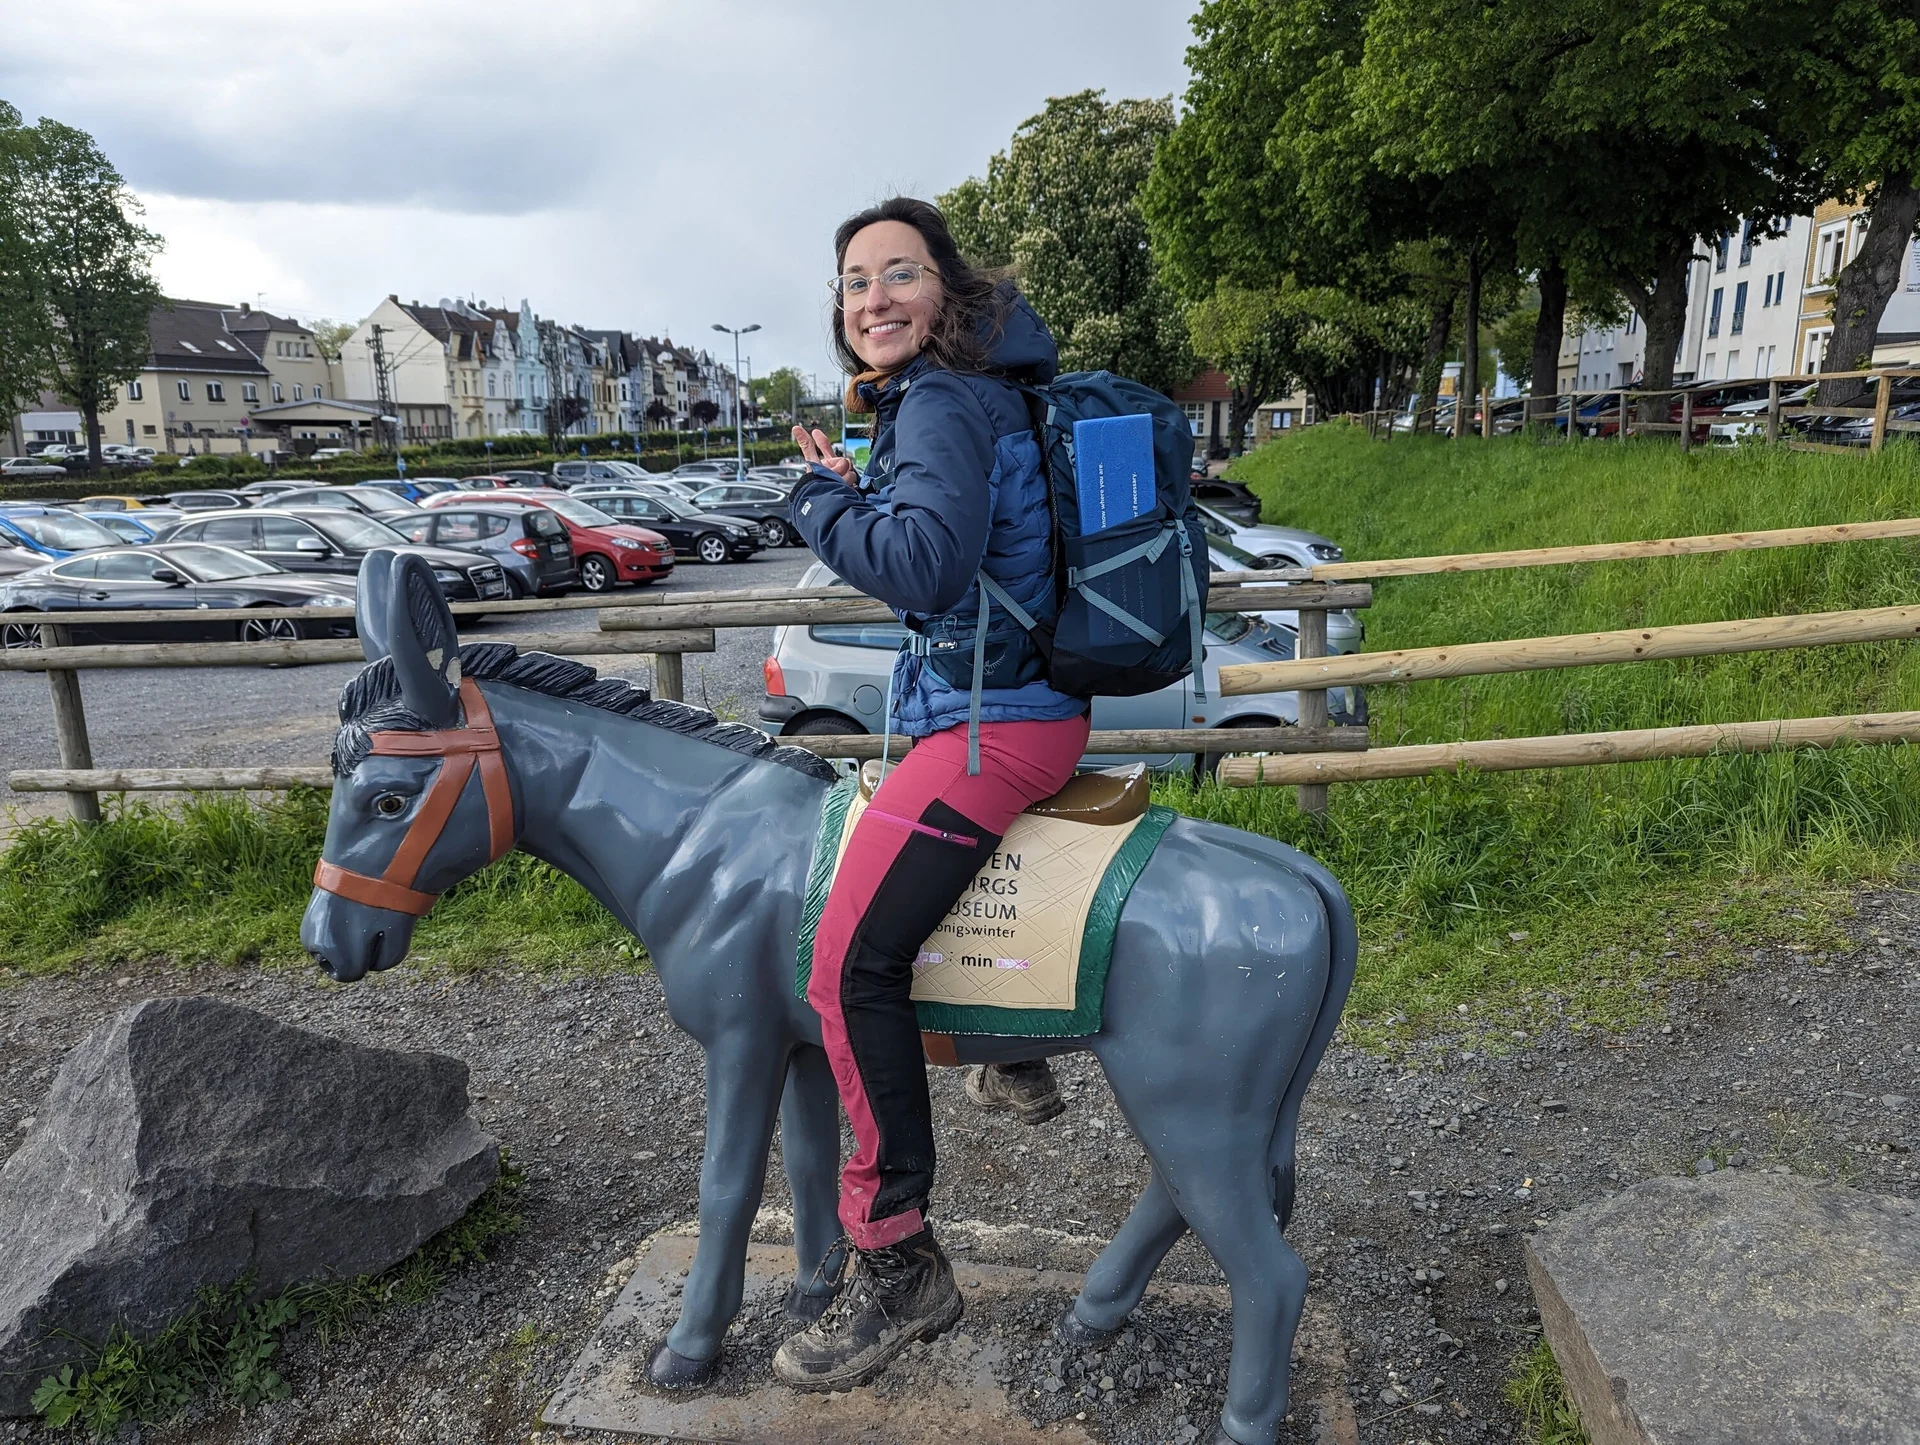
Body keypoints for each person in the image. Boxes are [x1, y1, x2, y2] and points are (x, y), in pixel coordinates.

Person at [772, 197, 1088, 1391]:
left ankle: (899, 1260)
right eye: (856, 282)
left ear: (946, 292)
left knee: (843, 966)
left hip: (991, 727)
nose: (874, 299)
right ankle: (1012, 1044)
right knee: (880, 878)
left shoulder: (948, 400)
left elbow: (924, 564)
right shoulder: (969, 391)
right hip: (1004, 709)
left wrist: (816, 506)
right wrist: (859, 479)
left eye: (900, 273)